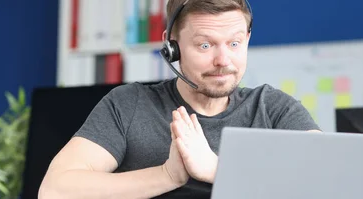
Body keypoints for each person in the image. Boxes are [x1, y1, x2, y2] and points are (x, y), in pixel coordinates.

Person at [38, 0, 321, 198]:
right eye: (205, 45)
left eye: (234, 43)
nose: (223, 60)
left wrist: (217, 169)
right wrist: (167, 176)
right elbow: (56, 190)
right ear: (171, 46)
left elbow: (328, 184)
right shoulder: (130, 104)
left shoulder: (273, 109)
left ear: (247, 39)